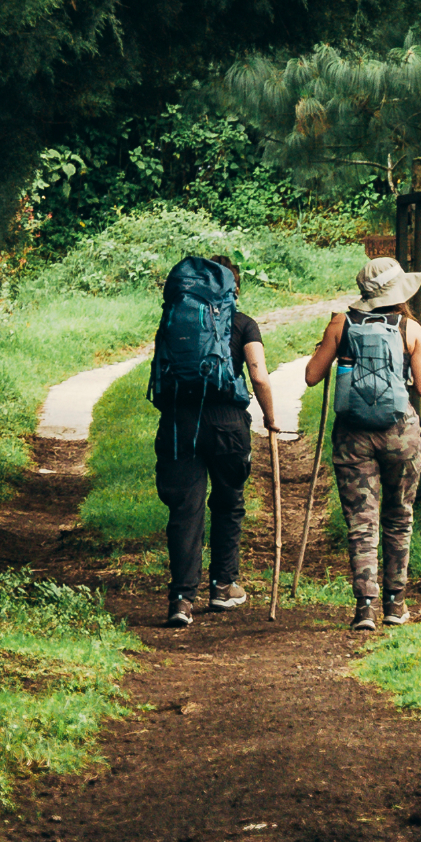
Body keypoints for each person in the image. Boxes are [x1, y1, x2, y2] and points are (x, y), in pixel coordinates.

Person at [303, 255, 421, 632]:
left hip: (352, 435)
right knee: (399, 516)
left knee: (362, 521)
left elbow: (312, 375)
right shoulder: (411, 328)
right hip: (400, 434)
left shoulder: (341, 324)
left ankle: (365, 608)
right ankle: (395, 604)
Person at [151, 250, 279, 628]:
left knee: (185, 510)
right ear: (233, 288)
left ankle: (181, 600)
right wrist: (271, 419)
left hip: (179, 423)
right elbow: (258, 375)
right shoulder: (242, 324)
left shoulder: (175, 320)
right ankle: (223, 587)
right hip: (227, 424)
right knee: (228, 502)